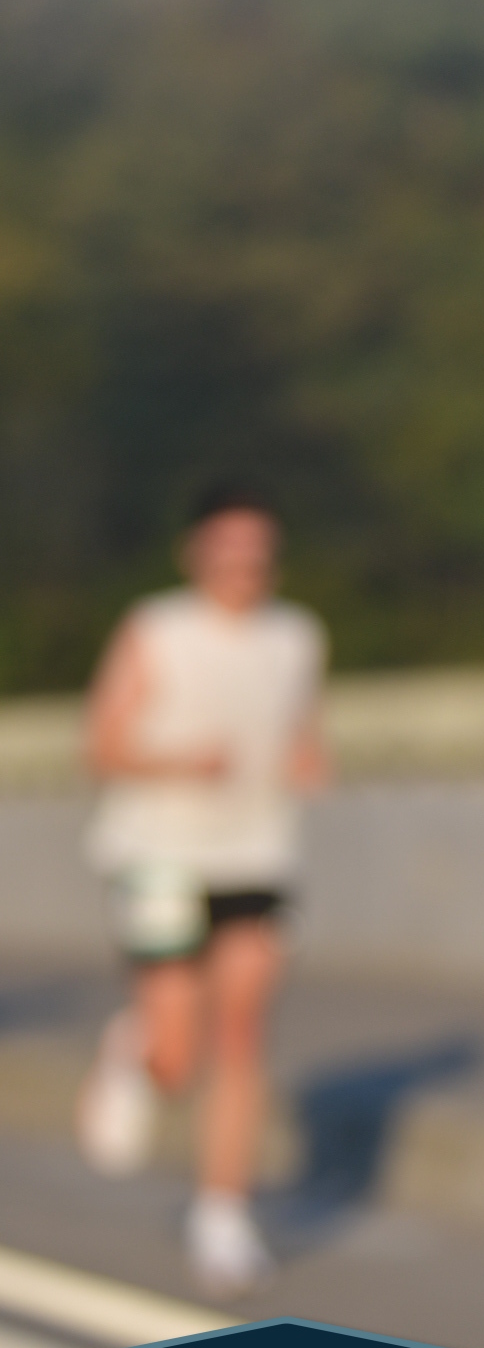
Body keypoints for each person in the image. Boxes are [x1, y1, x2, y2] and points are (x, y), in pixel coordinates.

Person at [76, 480, 328, 1296]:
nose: (243, 566)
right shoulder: (157, 628)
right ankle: (137, 1048)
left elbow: (298, 726)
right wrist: (179, 761)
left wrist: (306, 759)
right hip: (161, 855)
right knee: (178, 1053)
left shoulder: (297, 635)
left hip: (257, 857)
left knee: (244, 1032)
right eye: (229, 550)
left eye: (258, 552)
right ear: (197, 554)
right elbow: (100, 744)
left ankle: (222, 1216)